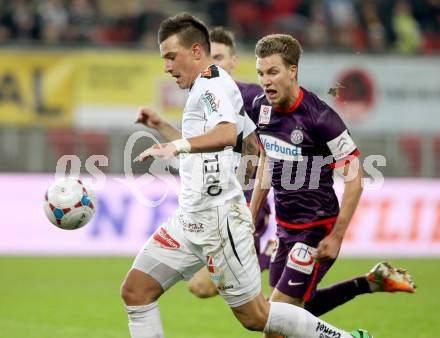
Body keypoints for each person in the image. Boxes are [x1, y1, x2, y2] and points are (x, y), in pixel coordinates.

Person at [120, 13, 372, 338]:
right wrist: (251, 208)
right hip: (191, 219)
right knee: (136, 292)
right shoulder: (237, 94)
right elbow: (250, 145)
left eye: (171, 57)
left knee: (259, 318)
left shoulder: (215, 87)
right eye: (261, 73)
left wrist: (177, 146)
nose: (166, 66)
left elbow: (225, 133)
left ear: (196, 51)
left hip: (227, 224)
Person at [248, 33, 416, 337]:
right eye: (260, 73)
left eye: (272, 72)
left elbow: (355, 179)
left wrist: (337, 235)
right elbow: (265, 159)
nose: (265, 81)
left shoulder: (321, 118)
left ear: (292, 71)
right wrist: (252, 215)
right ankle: (368, 283)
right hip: (284, 229)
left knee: (273, 324)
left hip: (316, 228)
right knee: (294, 313)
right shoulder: (261, 108)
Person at [187, 26, 274, 299]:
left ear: (234, 61)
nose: (214, 64)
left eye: (220, 57)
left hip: (244, 199)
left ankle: (272, 254)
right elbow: (197, 147)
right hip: (215, 199)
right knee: (202, 287)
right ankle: (270, 255)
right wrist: (160, 127)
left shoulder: (251, 97)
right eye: (209, 58)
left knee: (205, 287)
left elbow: (272, 146)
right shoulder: (205, 101)